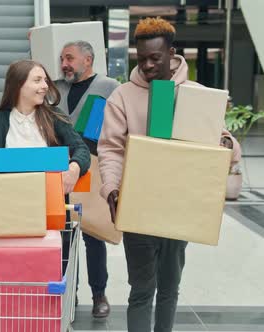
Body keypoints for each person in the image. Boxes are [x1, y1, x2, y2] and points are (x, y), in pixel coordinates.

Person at [98, 17, 241, 332]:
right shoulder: (122, 96)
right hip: (137, 206)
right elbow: (111, 149)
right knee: (141, 290)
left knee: (169, 288)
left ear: (172, 53)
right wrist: (111, 188)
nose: (148, 65)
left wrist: (224, 142)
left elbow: (227, 148)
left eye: (155, 58)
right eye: (142, 58)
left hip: (180, 207)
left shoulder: (196, 93)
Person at [55, 40, 121, 318]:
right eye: (62, 59)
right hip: (59, 172)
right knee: (63, 236)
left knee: (94, 236)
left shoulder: (110, 87)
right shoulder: (56, 87)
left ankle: (99, 294)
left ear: (88, 60)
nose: (64, 64)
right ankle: (67, 292)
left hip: (92, 169)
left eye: (69, 58)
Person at [0, 59, 90, 201]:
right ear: (18, 85)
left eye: (45, 81)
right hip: (10, 207)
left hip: (51, 207)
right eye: (37, 80)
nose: (45, 86)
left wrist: (74, 169)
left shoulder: (54, 116)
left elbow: (82, 149)